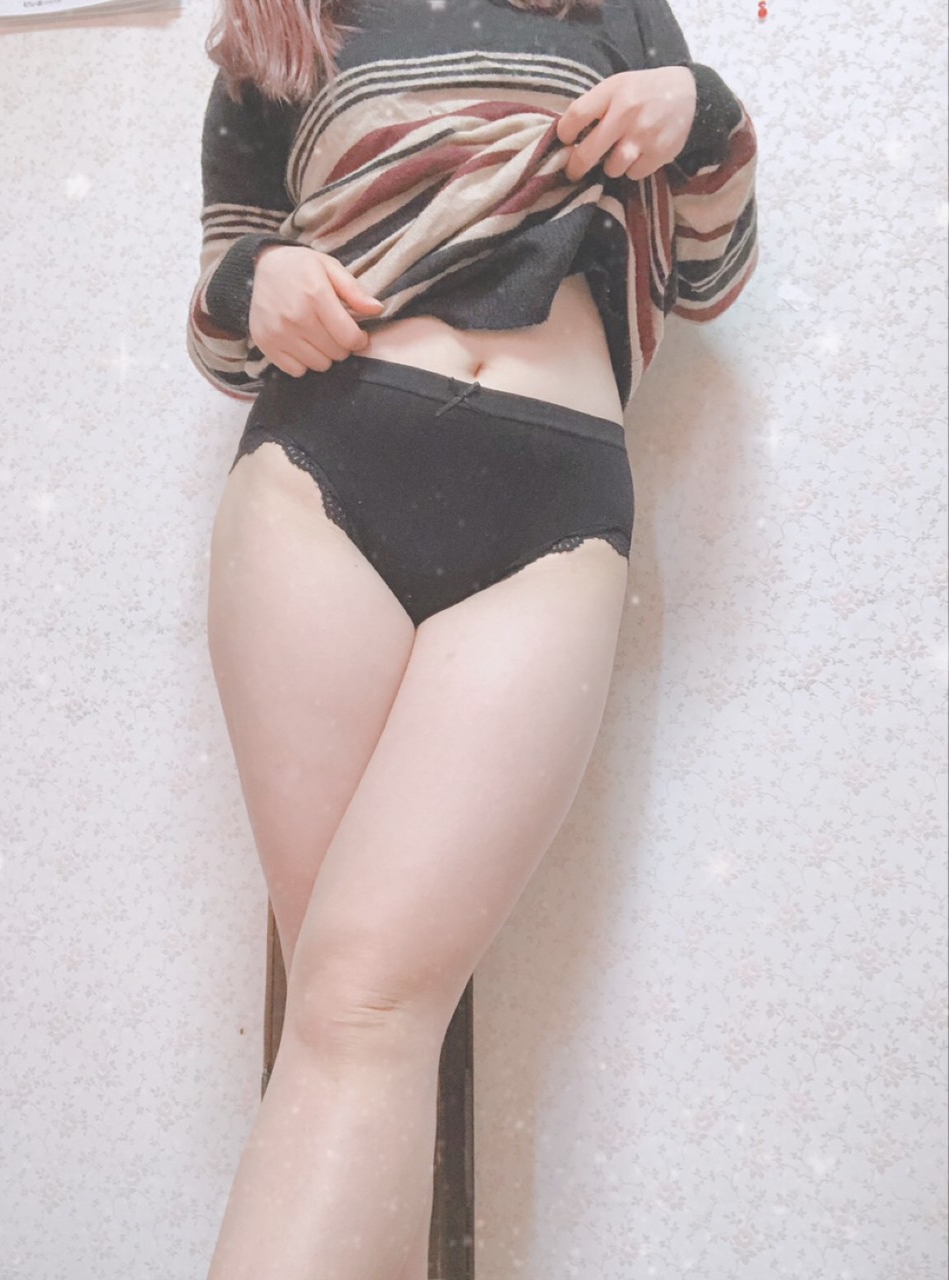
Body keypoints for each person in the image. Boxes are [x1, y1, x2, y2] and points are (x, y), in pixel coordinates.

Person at [186, 0, 758, 1275]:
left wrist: (701, 109)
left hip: (553, 504)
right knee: (357, 1019)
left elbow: (713, 273)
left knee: (367, 1007)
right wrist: (258, 278)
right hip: (321, 476)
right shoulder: (288, 32)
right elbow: (222, 326)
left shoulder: (617, 15)